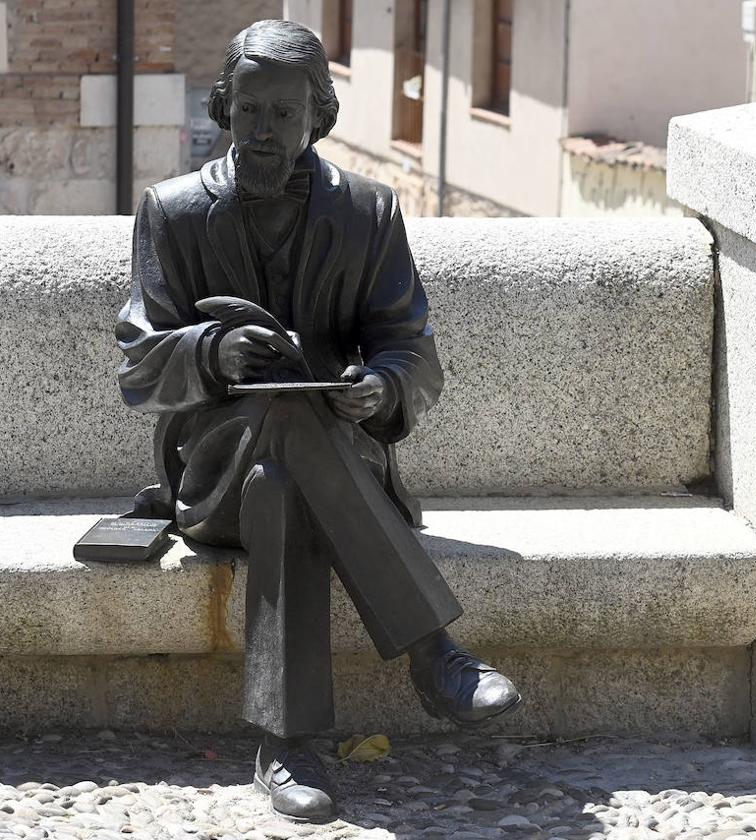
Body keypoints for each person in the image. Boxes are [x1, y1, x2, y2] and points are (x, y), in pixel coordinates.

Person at [115, 19, 520, 823]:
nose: (265, 132)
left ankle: (286, 746)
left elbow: (412, 350)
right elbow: (138, 365)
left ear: (317, 119)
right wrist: (215, 350)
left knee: (288, 472)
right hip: (215, 476)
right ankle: (433, 652)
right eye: (250, 112)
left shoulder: (368, 211)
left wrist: (380, 388)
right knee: (274, 449)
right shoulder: (171, 211)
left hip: (337, 469)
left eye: (285, 116)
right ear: (224, 109)